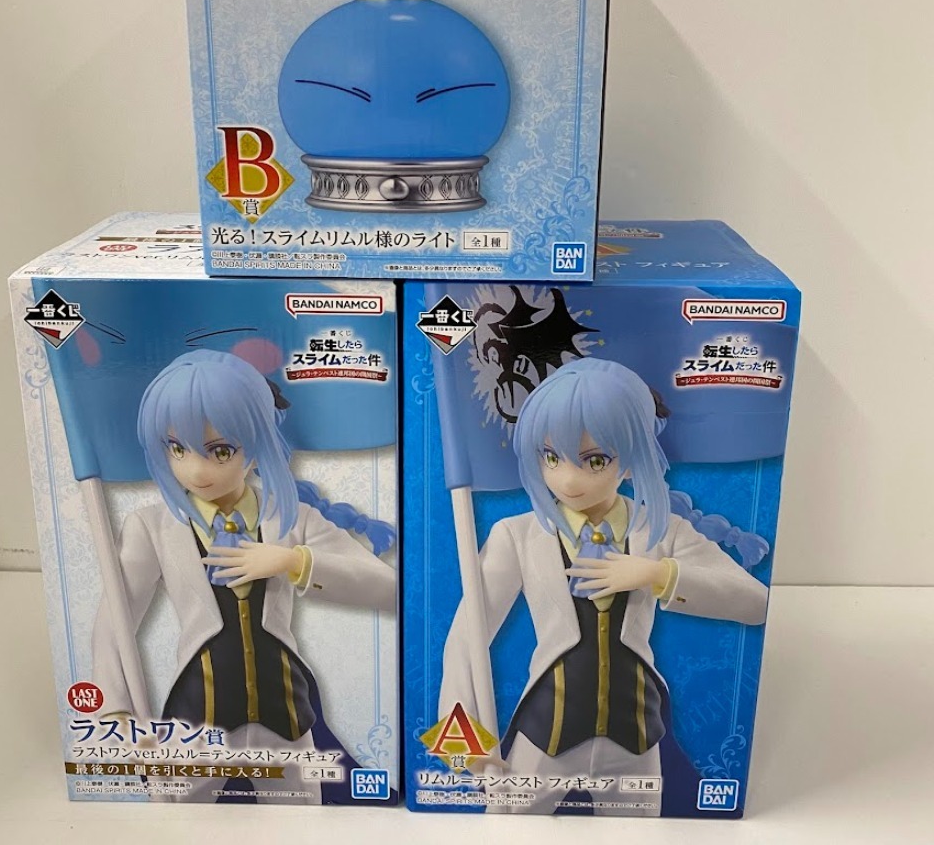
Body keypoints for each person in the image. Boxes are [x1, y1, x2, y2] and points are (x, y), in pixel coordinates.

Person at [440, 358, 768, 815]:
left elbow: (756, 603)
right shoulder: (517, 535)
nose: (568, 479)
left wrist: (658, 574)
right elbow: (466, 638)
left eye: (595, 460)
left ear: (632, 461)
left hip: (635, 735)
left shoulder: (662, 530)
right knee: (509, 826)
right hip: (547, 731)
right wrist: (464, 750)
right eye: (551, 457)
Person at [93, 349, 396, 803]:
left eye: (220, 451)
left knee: (302, 816)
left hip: (284, 710)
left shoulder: (292, 519)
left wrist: (294, 561)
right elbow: (114, 621)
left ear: (256, 445)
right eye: (177, 449)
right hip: (198, 713)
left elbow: (388, 589)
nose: (196, 470)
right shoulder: (153, 527)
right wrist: (114, 709)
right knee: (179, 819)